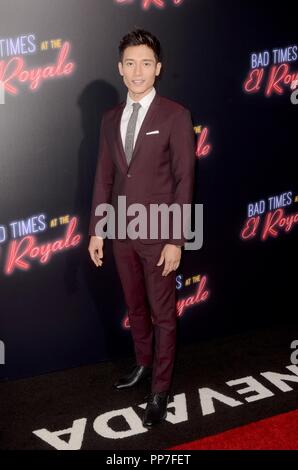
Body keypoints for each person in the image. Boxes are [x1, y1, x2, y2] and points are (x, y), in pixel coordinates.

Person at [88, 28, 195, 427]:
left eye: (146, 63)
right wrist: (98, 229)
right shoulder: (109, 118)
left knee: (163, 313)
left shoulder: (175, 114)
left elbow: (185, 180)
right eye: (130, 63)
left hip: (160, 232)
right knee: (135, 308)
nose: (138, 71)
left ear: (158, 68)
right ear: (120, 69)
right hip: (120, 233)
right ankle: (143, 364)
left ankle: (160, 388)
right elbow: (103, 177)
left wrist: (176, 239)